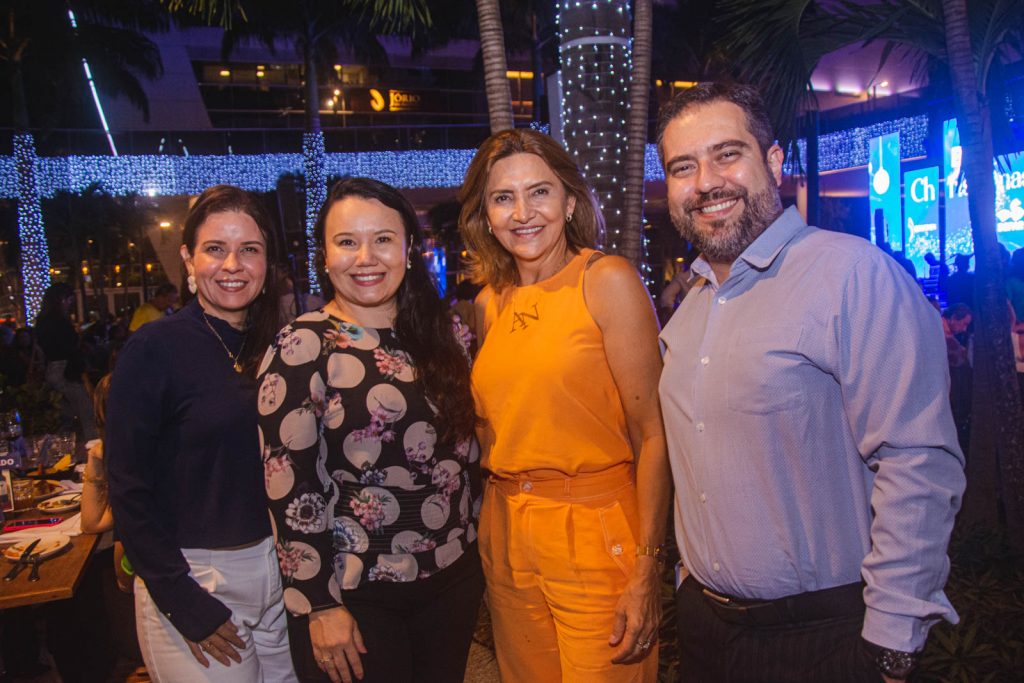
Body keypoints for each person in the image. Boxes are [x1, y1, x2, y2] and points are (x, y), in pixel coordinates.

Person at [656, 82, 965, 683]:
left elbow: (918, 461)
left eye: (727, 154)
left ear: (772, 162)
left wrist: (891, 644)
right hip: (705, 631)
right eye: (682, 167)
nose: (706, 182)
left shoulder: (853, 275)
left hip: (825, 637)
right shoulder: (691, 309)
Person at [459, 128, 670, 682]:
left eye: (540, 192)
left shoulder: (605, 280)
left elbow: (654, 434)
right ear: (484, 215)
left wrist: (648, 566)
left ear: (570, 201)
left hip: (594, 527)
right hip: (504, 530)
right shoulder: (487, 303)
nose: (523, 212)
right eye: (503, 198)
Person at [257, 178, 482, 683]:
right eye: (347, 241)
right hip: (354, 593)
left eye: (383, 239)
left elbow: (470, 458)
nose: (366, 257)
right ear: (324, 254)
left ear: (408, 248)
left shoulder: (448, 333)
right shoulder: (302, 346)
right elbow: (289, 484)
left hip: (452, 579)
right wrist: (318, 604)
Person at [106, 185, 297, 682]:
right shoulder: (154, 350)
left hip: (277, 574)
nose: (232, 264)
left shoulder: (280, 347)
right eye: (216, 249)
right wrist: (181, 600)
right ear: (188, 260)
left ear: (266, 262)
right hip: (195, 578)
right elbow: (126, 485)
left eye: (249, 249)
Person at [34, 283, 96, 439]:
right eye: (69, 300)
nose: (71, 303)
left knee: (65, 414)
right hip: (66, 369)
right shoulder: (60, 321)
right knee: (86, 410)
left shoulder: (42, 321)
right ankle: (92, 446)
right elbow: (68, 349)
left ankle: (60, 446)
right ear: (62, 299)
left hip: (52, 369)